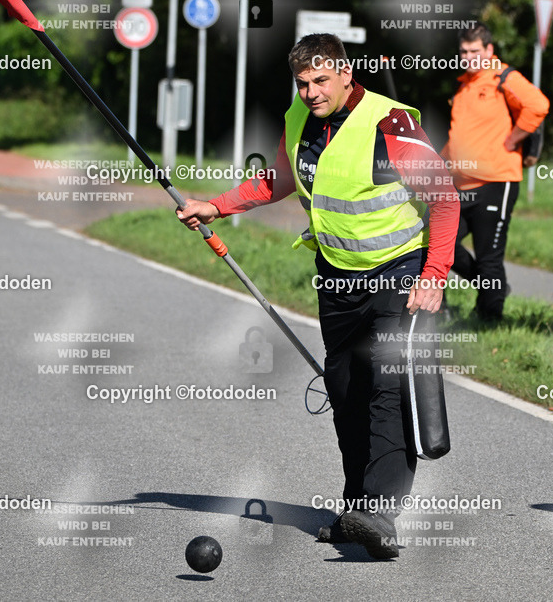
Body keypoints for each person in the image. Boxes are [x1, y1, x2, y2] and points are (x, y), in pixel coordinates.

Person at [177, 34, 460, 559]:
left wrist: (434, 275)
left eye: (321, 81)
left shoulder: (390, 124)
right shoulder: (300, 118)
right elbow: (279, 180)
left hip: (396, 272)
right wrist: (216, 206)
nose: (311, 92)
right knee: (346, 390)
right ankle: (357, 511)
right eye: (302, 83)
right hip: (336, 277)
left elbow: (444, 197)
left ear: (346, 74)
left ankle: (380, 515)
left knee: (385, 390)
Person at [441, 23, 549, 322]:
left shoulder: (503, 77)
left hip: (496, 182)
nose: (468, 57)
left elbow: (538, 105)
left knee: (488, 257)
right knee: (438, 243)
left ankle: (490, 321)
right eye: (464, 51)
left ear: (489, 50)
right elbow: (459, 137)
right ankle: (488, 290)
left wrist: (513, 139)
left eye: (475, 51)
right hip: (460, 185)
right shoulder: (464, 86)